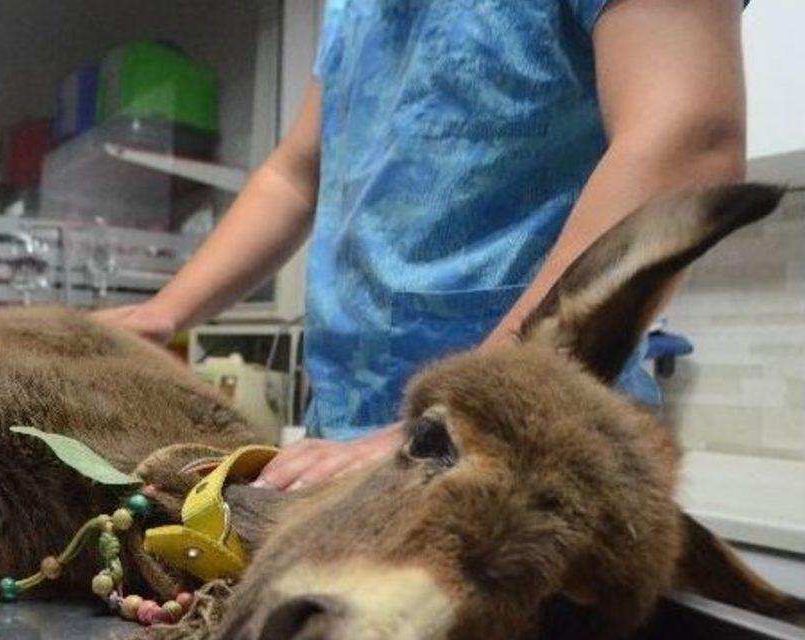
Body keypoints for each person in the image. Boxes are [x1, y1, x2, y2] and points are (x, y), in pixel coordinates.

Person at [96, 0, 747, 489]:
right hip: (345, 453)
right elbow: (295, 174)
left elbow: (687, 144)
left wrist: (456, 416)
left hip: (526, 464)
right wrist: (164, 312)